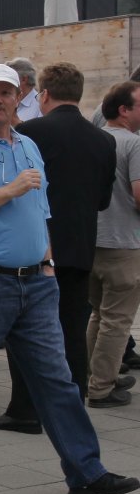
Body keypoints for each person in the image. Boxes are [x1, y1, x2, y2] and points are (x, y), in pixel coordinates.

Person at [0, 64, 138, 494]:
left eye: (6, 93)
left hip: (36, 284)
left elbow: (41, 211)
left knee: (58, 380)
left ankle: (86, 472)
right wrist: (9, 190)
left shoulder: (28, 145)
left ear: (17, 98)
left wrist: (47, 262)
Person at [0, 62, 116, 428]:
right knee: (72, 329)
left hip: (37, 247)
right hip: (81, 247)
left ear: (43, 94)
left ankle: (25, 409)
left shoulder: (30, 133)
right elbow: (103, 200)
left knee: (25, 329)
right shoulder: (102, 140)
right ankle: (73, 408)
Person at [87, 81, 140, 407]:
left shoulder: (96, 139)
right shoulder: (133, 143)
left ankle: (93, 376)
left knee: (98, 315)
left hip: (93, 239)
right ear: (124, 110)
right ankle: (101, 388)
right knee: (117, 320)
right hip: (124, 243)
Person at [8, 56, 40, 121]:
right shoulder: (9, 101)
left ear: (24, 79)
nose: (7, 83)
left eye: (11, 79)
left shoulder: (40, 105)